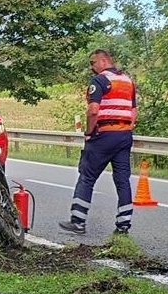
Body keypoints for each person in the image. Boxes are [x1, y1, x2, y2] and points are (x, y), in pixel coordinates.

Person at [58, 49, 137, 236]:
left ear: (103, 60)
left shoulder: (100, 80)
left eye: (93, 63)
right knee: (122, 180)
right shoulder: (128, 81)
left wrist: (89, 132)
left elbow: (93, 110)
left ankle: (78, 221)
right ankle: (123, 225)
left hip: (103, 135)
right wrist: (126, 129)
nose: (92, 67)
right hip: (124, 136)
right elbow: (133, 111)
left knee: (87, 176)